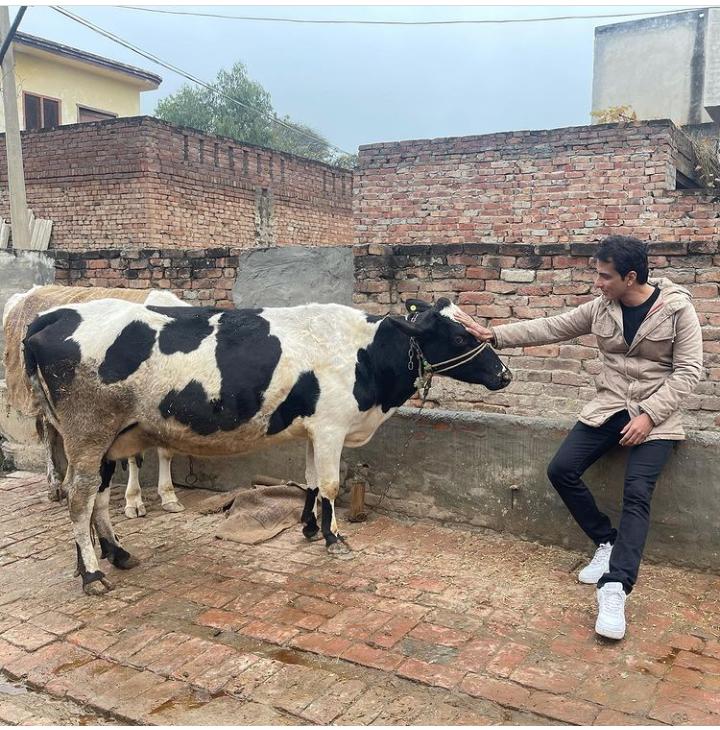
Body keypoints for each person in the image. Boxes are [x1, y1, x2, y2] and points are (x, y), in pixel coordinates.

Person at [453, 236, 703, 640]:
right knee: (561, 469)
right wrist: (493, 335)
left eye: (605, 276)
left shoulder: (677, 309)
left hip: (658, 416)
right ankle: (605, 541)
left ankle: (616, 586)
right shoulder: (603, 307)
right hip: (609, 408)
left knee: (637, 492)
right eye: (597, 274)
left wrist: (650, 417)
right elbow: (553, 326)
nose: (598, 282)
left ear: (631, 276)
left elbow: (689, 372)